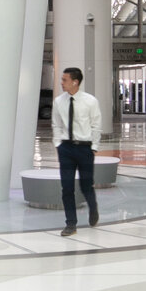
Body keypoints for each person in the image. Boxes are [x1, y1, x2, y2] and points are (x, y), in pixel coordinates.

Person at [52, 65, 102, 238]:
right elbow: (56, 124)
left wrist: (93, 147)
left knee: (86, 184)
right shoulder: (59, 101)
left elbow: (96, 125)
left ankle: (93, 208)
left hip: (84, 148)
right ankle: (70, 223)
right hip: (66, 148)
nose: (61, 83)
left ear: (75, 82)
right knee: (66, 187)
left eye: (64, 80)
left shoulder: (90, 101)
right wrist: (58, 144)